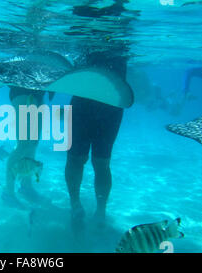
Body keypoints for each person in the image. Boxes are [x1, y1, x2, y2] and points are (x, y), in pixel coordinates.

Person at [66, 0, 133, 231]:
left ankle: (101, 211)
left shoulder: (120, 29)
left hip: (110, 107)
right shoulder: (82, 26)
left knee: (101, 162)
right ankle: (75, 204)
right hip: (81, 105)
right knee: (75, 158)